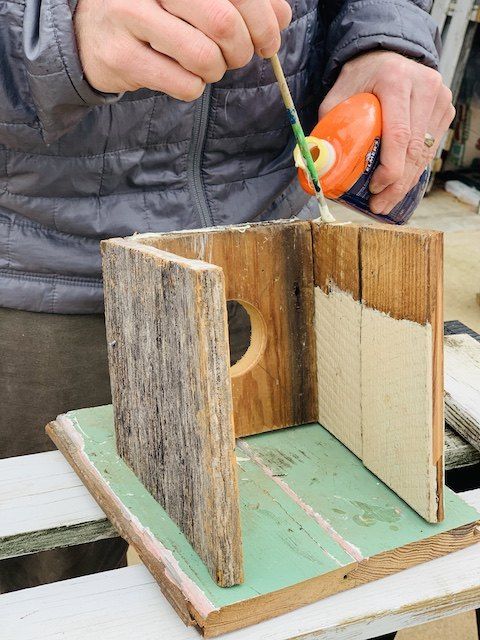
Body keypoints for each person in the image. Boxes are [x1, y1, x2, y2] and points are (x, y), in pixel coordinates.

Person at [0, 0, 453, 604]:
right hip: (40, 265)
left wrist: (382, 39)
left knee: (302, 554)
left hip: (272, 243)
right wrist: (51, 31)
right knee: (44, 582)